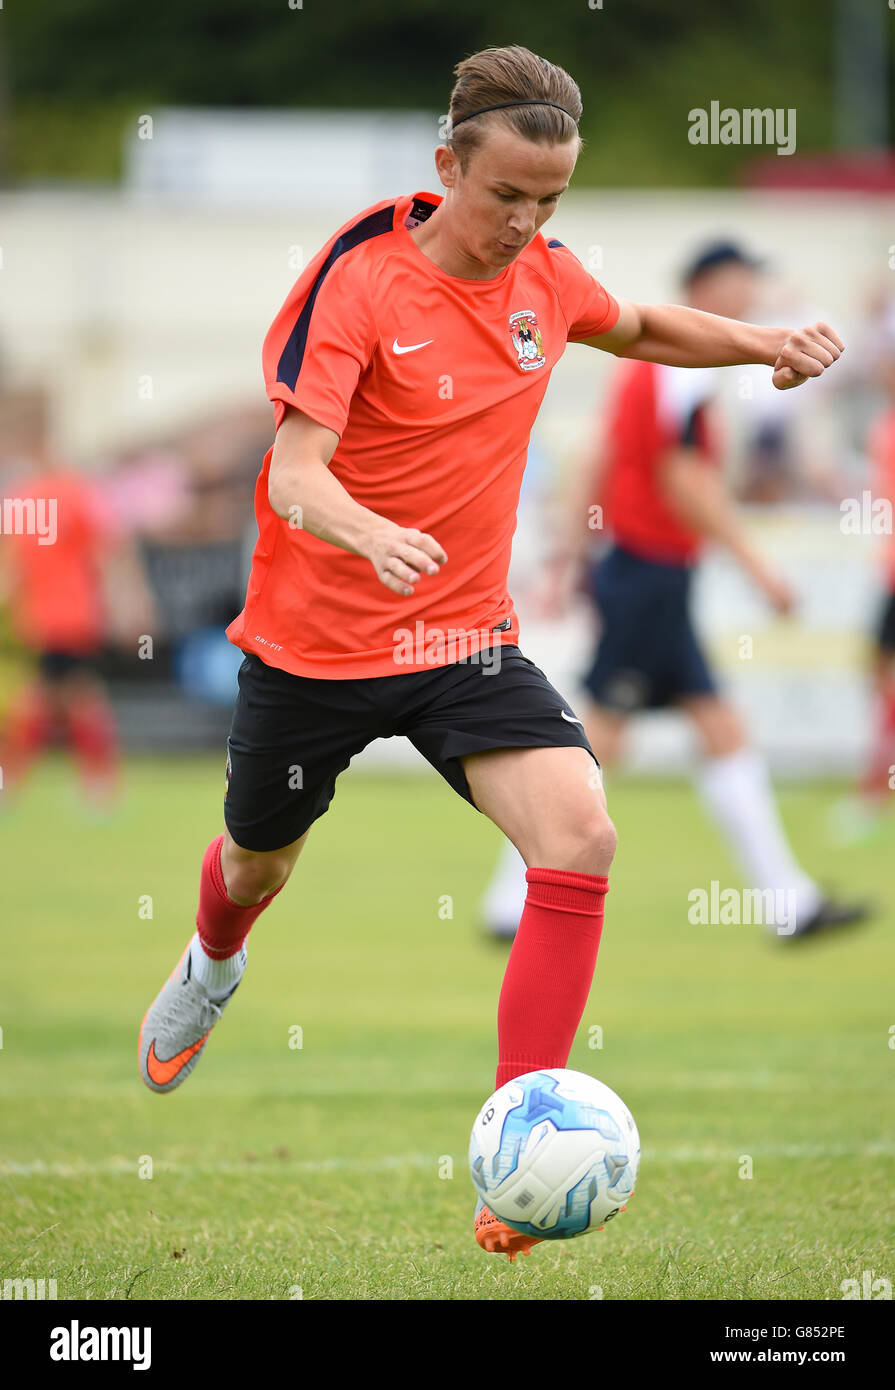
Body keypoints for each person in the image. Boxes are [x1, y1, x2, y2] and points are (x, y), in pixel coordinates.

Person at [138, 47, 846, 1259]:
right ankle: (212, 961)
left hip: (464, 638)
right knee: (258, 865)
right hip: (313, 648)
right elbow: (295, 472)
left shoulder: (543, 277)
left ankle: (520, 1147)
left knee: (581, 833)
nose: (524, 223)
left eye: (549, 203)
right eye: (504, 195)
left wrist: (760, 340)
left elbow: (634, 323)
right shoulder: (360, 283)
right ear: (446, 164)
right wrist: (370, 532)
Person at [481, 242, 866, 944]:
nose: (752, 291)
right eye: (741, 278)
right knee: (598, 737)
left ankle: (787, 903)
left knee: (710, 729)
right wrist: (758, 567)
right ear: (708, 285)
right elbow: (682, 480)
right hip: (648, 572)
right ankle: (513, 901)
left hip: (650, 574)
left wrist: (570, 551)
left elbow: (598, 454)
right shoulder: (678, 374)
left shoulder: (664, 371)